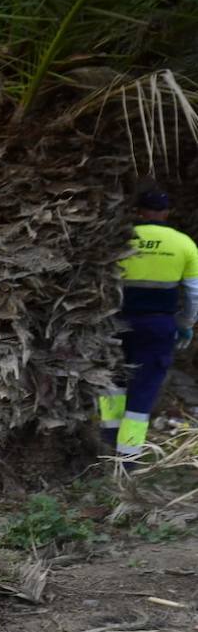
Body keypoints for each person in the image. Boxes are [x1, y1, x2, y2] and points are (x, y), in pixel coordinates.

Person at [99, 190, 198, 458]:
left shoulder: (119, 240)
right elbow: (193, 293)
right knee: (145, 385)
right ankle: (128, 455)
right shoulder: (184, 244)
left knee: (112, 380)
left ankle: (109, 441)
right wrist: (186, 322)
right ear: (167, 213)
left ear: (138, 211)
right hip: (157, 326)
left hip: (114, 323)